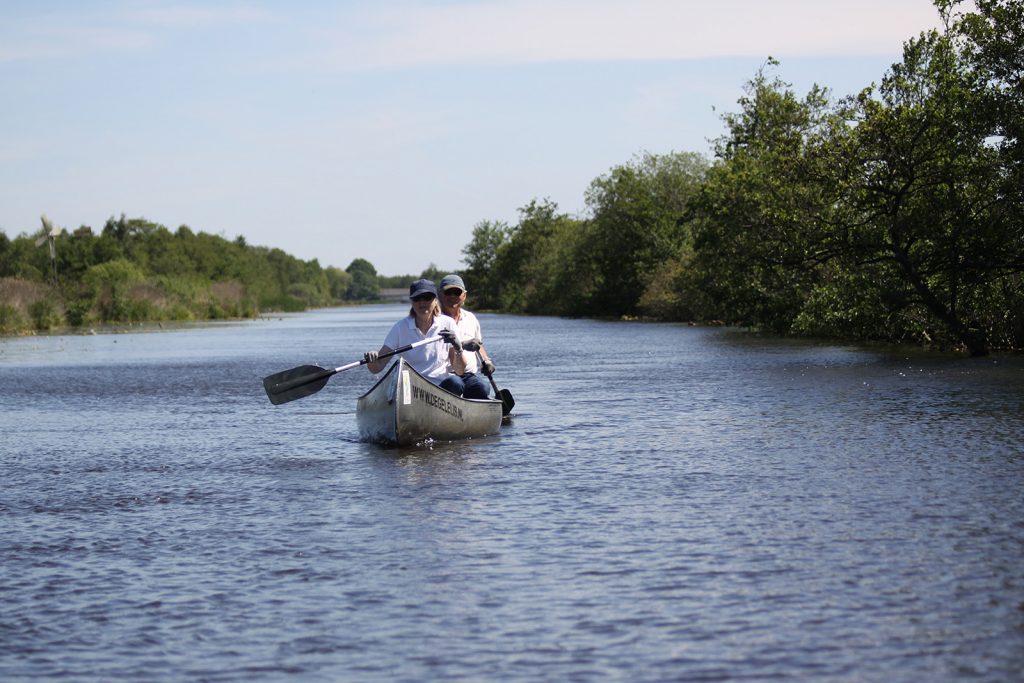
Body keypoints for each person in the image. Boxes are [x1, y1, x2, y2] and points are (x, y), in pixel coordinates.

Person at [363, 279, 467, 396]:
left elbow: (460, 370)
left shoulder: (448, 324)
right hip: (411, 389)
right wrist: (372, 360)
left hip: (441, 388)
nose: (422, 303)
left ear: (435, 301)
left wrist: (458, 348)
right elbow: (377, 367)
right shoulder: (400, 327)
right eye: (417, 299)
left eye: (427, 297)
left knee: (456, 382)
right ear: (411, 302)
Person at [439, 274, 495, 400]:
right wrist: (462, 344)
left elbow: (478, 345)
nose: (453, 296)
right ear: (440, 295)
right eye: (448, 292)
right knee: (455, 383)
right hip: (445, 376)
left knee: (483, 388)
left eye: (457, 292)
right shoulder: (435, 320)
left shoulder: (471, 318)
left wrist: (486, 361)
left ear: (464, 296)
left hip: (469, 375)